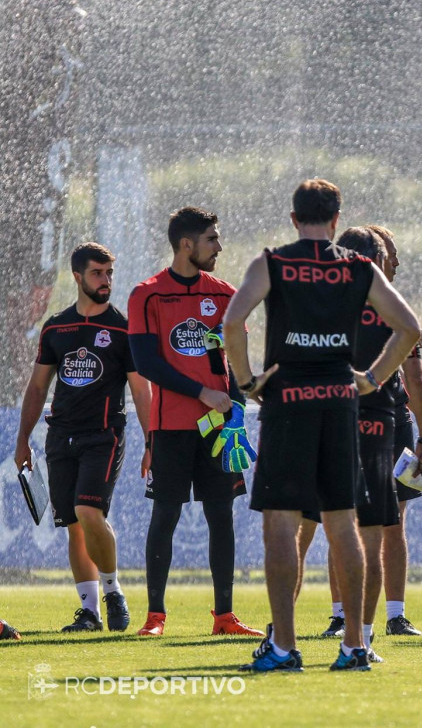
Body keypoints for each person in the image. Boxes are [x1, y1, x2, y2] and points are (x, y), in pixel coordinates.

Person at [224, 179, 422, 673]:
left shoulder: (272, 263)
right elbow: (409, 328)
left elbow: (232, 323)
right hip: (340, 403)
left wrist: (247, 382)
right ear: (336, 220)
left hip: (288, 402)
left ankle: (284, 646)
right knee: (342, 522)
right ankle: (354, 645)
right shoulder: (358, 268)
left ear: (294, 219)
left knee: (281, 523)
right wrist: (371, 379)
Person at [126, 210, 262, 638]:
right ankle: (155, 617)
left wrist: (237, 410)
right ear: (186, 244)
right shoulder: (146, 294)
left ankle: (225, 617)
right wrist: (202, 393)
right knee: (165, 514)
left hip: (219, 429)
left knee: (221, 515)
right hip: (170, 426)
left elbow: (233, 361)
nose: (219, 247)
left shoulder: (226, 294)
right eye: (211, 239)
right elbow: (146, 363)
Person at [314, 224, 422, 643]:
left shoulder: (324, 304)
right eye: (389, 256)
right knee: (363, 524)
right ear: (376, 259)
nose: (394, 264)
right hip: (378, 421)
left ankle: (388, 615)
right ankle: (350, 621)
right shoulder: (391, 311)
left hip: (362, 418)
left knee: (366, 521)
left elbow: (406, 380)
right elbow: (413, 375)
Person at [14, 242, 150, 633]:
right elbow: (37, 387)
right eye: (97, 273)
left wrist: (151, 441)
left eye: (109, 273)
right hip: (60, 438)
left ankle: (112, 590)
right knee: (74, 524)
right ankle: (89, 613)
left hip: (104, 436)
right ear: (77, 277)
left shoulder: (123, 328)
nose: (106, 280)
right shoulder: (56, 326)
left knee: (90, 512)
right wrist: (23, 439)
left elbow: (141, 390)